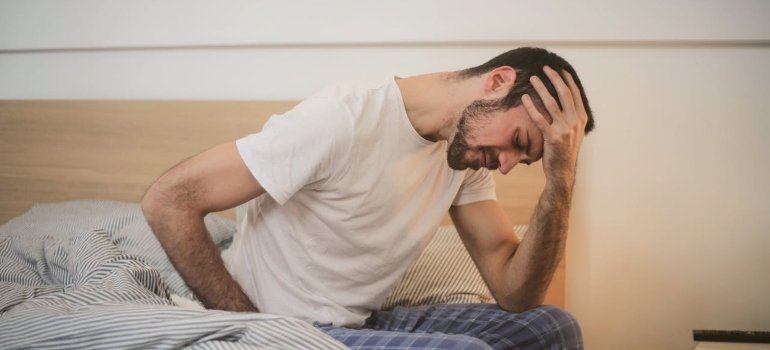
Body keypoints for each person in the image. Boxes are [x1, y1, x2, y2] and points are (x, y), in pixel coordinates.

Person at [142, 47, 595, 350]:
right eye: (518, 141)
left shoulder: (464, 157)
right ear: (497, 82)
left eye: (525, 160)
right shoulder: (343, 118)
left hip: (356, 325)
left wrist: (560, 180)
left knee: (551, 327)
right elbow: (169, 199)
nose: (507, 164)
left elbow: (515, 293)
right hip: (285, 326)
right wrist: (254, 328)